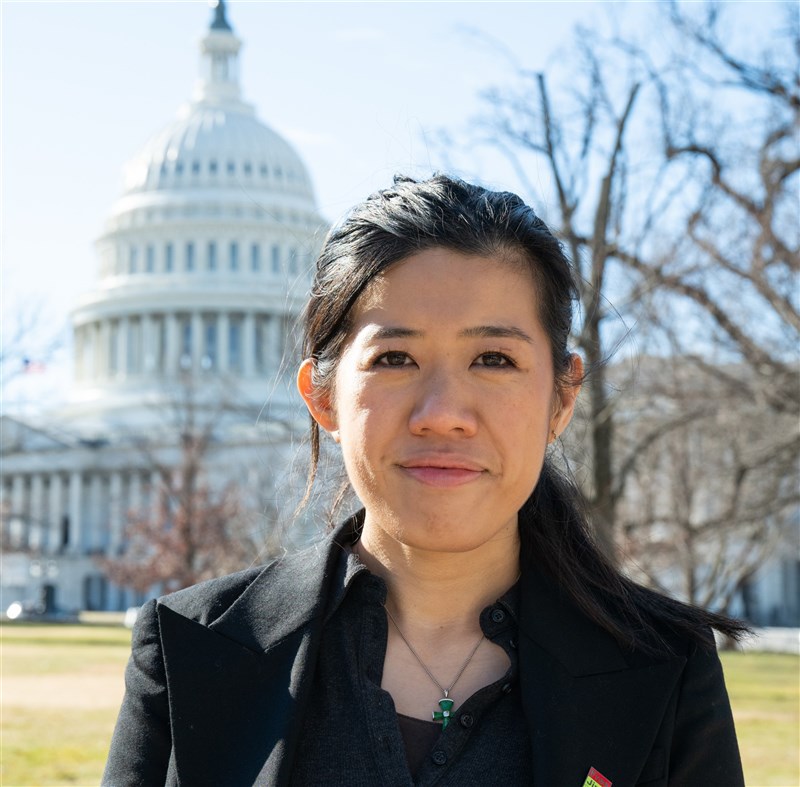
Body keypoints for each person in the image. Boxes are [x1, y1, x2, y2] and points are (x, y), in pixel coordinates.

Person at [103, 174, 745, 786]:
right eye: (395, 358)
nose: (442, 413)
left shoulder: (664, 669)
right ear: (322, 398)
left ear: (562, 398)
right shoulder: (190, 650)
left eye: (493, 359)